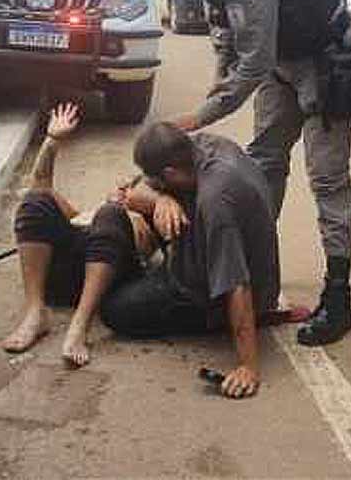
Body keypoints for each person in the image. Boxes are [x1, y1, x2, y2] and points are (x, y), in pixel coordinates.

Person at [129, 0, 351, 347]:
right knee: (262, 166)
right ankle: (255, 281)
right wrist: (216, 87)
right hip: (283, 63)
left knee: (327, 179)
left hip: (325, 62)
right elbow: (228, 42)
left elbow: (253, 60)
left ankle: (338, 298)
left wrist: (201, 117)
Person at [99, 122, 282, 399]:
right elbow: (135, 189)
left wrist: (248, 365)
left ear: (170, 172)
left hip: (217, 293)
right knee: (137, 204)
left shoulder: (216, 201)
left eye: (159, 181)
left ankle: (210, 318)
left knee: (115, 311)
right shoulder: (204, 145)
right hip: (214, 251)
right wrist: (161, 199)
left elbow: (237, 284)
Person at [3, 104, 163, 368]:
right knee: (35, 201)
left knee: (110, 215)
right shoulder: (85, 216)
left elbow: (159, 226)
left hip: (111, 281)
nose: (123, 190)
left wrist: (151, 202)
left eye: (130, 189)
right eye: (121, 187)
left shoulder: (142, 223)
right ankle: (35, 311)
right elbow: (40, 185)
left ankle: (80, 325)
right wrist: (52, 140)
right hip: (65, 277)